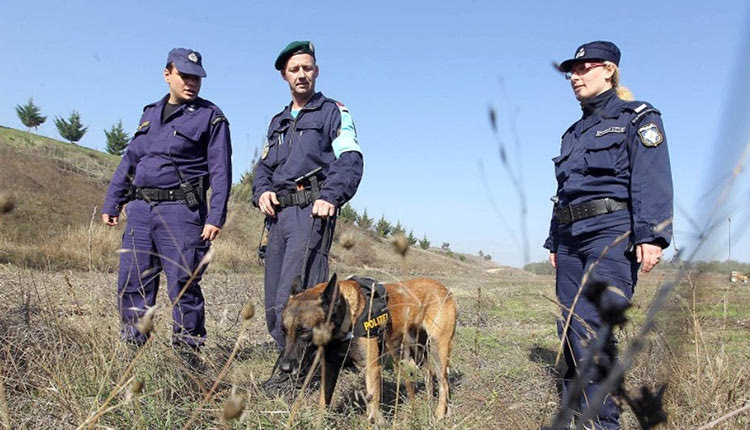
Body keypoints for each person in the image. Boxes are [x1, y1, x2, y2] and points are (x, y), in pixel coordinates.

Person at [544, 41, 673, 429]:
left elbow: (651, 178)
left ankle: (602, 424)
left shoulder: (638, 117)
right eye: (572, 71)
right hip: (570, 237)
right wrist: (554, 239)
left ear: (609, 70)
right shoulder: (573, 132)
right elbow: (565, 188)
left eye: (584, 68)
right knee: (569, 328)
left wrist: (652, 234)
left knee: (591, 328)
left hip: (612, 232)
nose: (575, 77)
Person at [102, 48, 232, 353]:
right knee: (133, 282)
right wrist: (113, 202)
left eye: (197, 78)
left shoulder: (210, 118)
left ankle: (188, 358)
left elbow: (221, 171)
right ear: (167, 75)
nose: (192, 83)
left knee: (183, 286)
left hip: (181, 213)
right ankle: (132, 352)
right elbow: (130, 161)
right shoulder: (149, 114)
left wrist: (215, 216)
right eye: (185, 75)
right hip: (140, 211)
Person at [252, 41, 363, 352]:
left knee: (298, 294)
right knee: (274, 297)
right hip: (278, 217)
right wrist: (261, 192)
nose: (301, 74)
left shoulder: (332, 112)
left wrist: (330, 196)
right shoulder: (279, 122)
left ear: (316, 72)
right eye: (294, 69)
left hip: (312, 212)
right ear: (284, 76)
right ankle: (285, 352)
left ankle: (301, 368)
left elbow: (350, 157)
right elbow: (264, 167)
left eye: (307, 68)